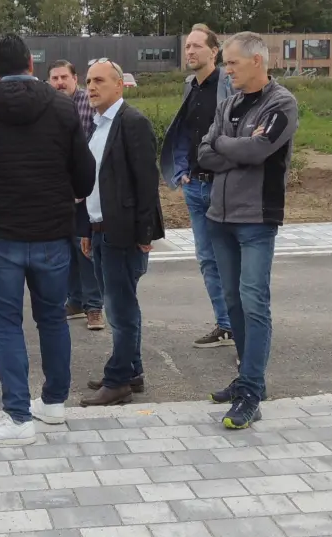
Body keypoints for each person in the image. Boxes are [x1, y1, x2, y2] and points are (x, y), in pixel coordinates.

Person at [0, 33, 94, 446]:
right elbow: (85, 174)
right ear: (32, 65)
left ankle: (17, 417)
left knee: (6, 325)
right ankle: (52, 403)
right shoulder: (64, 108)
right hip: (52, 232)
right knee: (52, 317)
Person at [196, 32, 299, 429]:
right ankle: (247, 379)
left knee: (254, 302)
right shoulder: (229, 104)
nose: (227, 70)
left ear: (258, 62)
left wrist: (225, 147)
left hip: (256, 219)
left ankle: (251, 393)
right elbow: (203, 153)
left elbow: (259, 151)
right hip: (220, 218)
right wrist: (230, 145)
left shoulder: (281, 104)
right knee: (234, 302)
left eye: (233, 63)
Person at [77, 60, 164, 406]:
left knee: (120, 309)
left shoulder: (132, 123)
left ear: (119, 85)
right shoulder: (98, 127)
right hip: (99, 231)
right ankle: (132, 371)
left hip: (123, 234)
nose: (91, 87)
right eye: (88, 81)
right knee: (122, 306)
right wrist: (86, 227)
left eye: (99, 80)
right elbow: (93, 184)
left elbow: (147, 184)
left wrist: (144, 235)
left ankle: (118, 381)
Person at [159, 25, 235, 349]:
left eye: (196, 47)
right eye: (187, 46)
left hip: (223, 186)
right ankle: (226, 325)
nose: (189, 52)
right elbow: (183, 132)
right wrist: (181, 171)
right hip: (195, 187)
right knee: (206, 259)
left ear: (213, 52)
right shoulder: (189, 86)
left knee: (231, 258)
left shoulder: (228, 84)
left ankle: (242, 323)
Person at [47, 60, 104, 331]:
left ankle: (94, 307)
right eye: (55, 78)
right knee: (65, 250)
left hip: (85, 189)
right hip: (58, 191)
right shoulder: (47, 106)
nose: (59, 83)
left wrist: (81, 188)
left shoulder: (88, 104)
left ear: (75, 78)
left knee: (85, 249)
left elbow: (93, 149)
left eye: (64, 77)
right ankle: (75, 301)